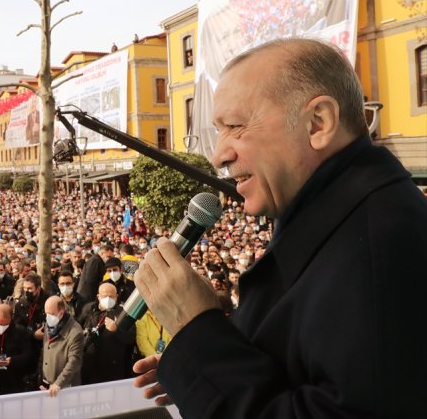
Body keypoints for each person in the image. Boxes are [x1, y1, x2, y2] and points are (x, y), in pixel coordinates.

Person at [133, 38, 427, 417]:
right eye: (218, 131)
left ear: (318, 123)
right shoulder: (338, 216)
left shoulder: (380, 249)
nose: (219, 154)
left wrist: (198, 333)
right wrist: (206, 360)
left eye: (235, 126)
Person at [78, 281, 135, 383]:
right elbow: (77, 328)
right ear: (98, 296)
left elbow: (131, 337)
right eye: (104, 296)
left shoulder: (123, 313)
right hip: (90, 367)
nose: (108, 299)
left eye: (111, 296)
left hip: (113, 368)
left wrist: (117, 330)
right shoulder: (89, 310)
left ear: (117, 296)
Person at [40, 296, 83, 397]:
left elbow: (74, 362)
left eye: (51, 314)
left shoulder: (75, 332)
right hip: (47, 384)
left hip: (65, 388)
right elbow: (45, 350)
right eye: (46, 314)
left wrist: (58, 383)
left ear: (61, 312)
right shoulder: (49, 325)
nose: (48, 317)